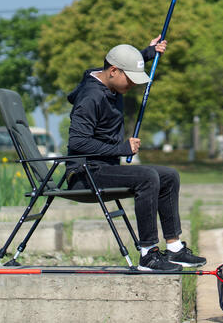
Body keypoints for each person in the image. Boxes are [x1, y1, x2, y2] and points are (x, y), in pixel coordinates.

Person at [65, 36, 206, 272]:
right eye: (129, 79)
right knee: (147, 176)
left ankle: (174, 248)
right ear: (113, 71)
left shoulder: (106, 80)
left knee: (169, 175)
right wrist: (121, 148)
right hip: (84, 174)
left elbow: (114, 65)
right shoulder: (91, 97)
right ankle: (148, 255)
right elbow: (77, 142)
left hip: (105, 168)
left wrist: (147, 53)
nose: (132, 85)